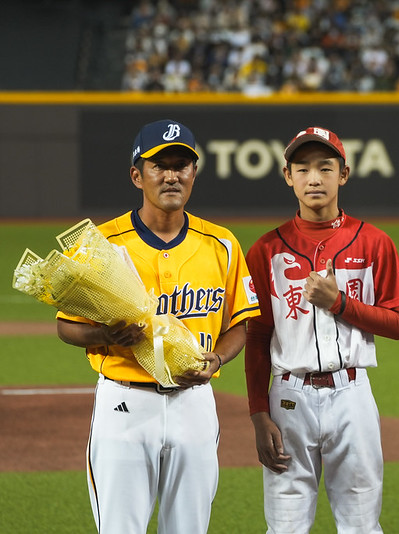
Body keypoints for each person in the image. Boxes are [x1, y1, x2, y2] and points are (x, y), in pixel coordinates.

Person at [56, 119, 261, 533]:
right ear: (137, 175)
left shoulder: (221, 243)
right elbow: (66, 325)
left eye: (182, 165)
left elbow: (241, 323)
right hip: (125, 404)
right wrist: (104, 336)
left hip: (195, 404)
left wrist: (218, 357)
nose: (172, 175)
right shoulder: (101, 244)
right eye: (159, 165)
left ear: (194, 173)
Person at [244, 126, 399, 533]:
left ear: (344, 174)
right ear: (288, 176)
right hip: (288, 398)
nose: (314, 178)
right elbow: (258, 337)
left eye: (325, 168)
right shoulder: (265, 250)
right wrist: (257, 413)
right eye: (302, 169)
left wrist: (339, 304)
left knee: (361, 525)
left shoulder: (375, 242)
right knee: (284, 527)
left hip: (352, 395)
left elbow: (398, 324)